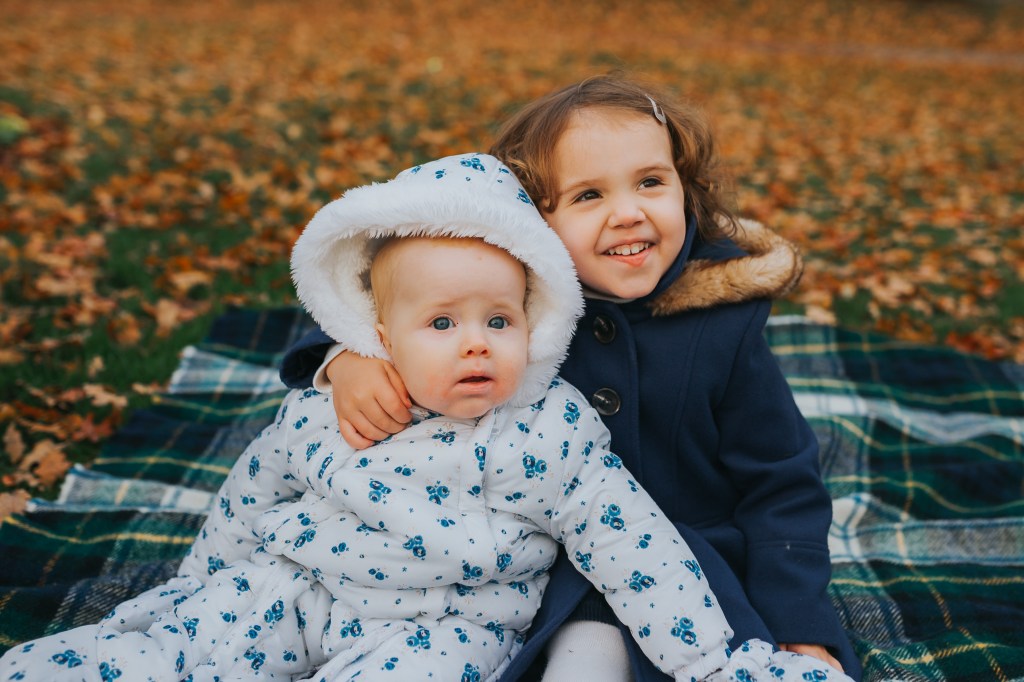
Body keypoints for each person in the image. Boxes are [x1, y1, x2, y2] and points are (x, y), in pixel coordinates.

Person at [0, 154, 850, 682]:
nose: (475, 342)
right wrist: (203, 583)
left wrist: (727, 662)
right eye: (442, 325)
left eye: (499, 321)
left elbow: (642, 549)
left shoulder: (548, 428)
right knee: (167, 652)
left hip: (442, 621)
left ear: (536, 319)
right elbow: (252, 490)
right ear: (379, 333)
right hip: (296, 586)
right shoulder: (345, 391)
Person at [279, 76, 861, 682]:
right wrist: (343, 357)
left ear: (684, 187)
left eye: (651, 182)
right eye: (588, 195)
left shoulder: (723, 325)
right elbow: (403, 297)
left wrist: (798, 619)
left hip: (689, 569)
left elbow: (781, 482)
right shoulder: (508, 308)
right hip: (533, 562)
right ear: (532, 220)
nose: (628, 213)